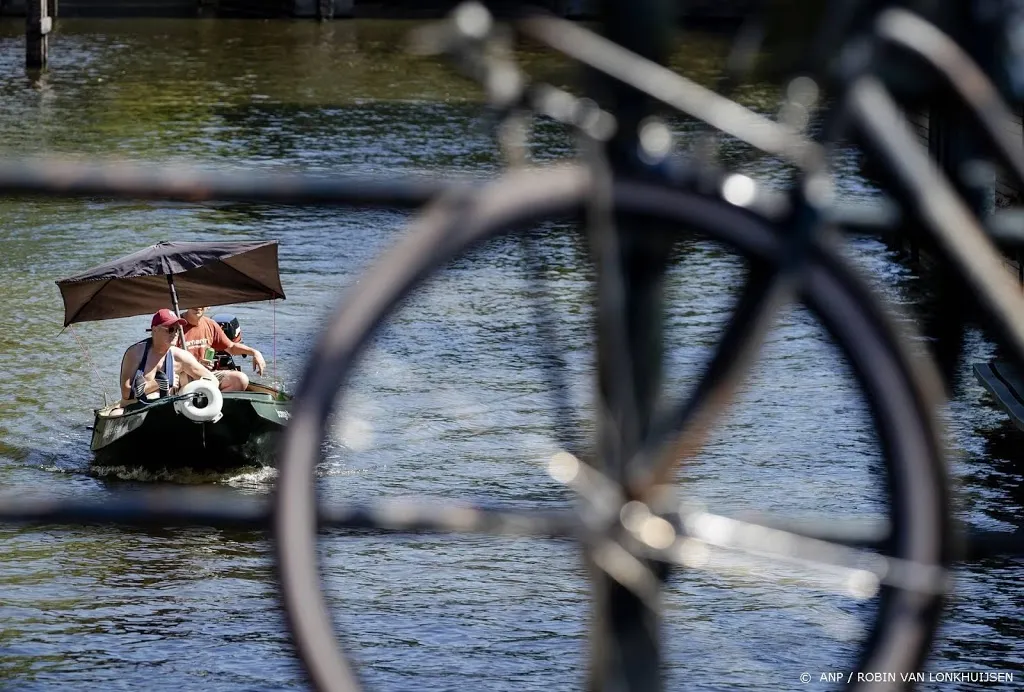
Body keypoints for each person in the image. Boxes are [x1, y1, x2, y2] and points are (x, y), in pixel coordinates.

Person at [118, 309, 216, 405]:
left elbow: (211, 379)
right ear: (155, 330)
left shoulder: (180, 356)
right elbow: (126, 394)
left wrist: (191, 392)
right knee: (117, 412)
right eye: (170, 329)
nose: (175, 333)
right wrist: (159, 383)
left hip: (166, 406)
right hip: (134, 406)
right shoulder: (135, 353)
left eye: (178, 329)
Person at [179, 306, 267, 392]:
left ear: (208, 306)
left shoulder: (210, 324)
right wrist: (195, 365)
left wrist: (255, 353)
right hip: (182, 375)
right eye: (194, 302)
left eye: (201, 303)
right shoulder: (177, 325)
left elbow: (231, 347)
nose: (197, 306)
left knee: (240, 379)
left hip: (205, 374)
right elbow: (168, 359)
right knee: (184, 377)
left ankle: (214, 401)